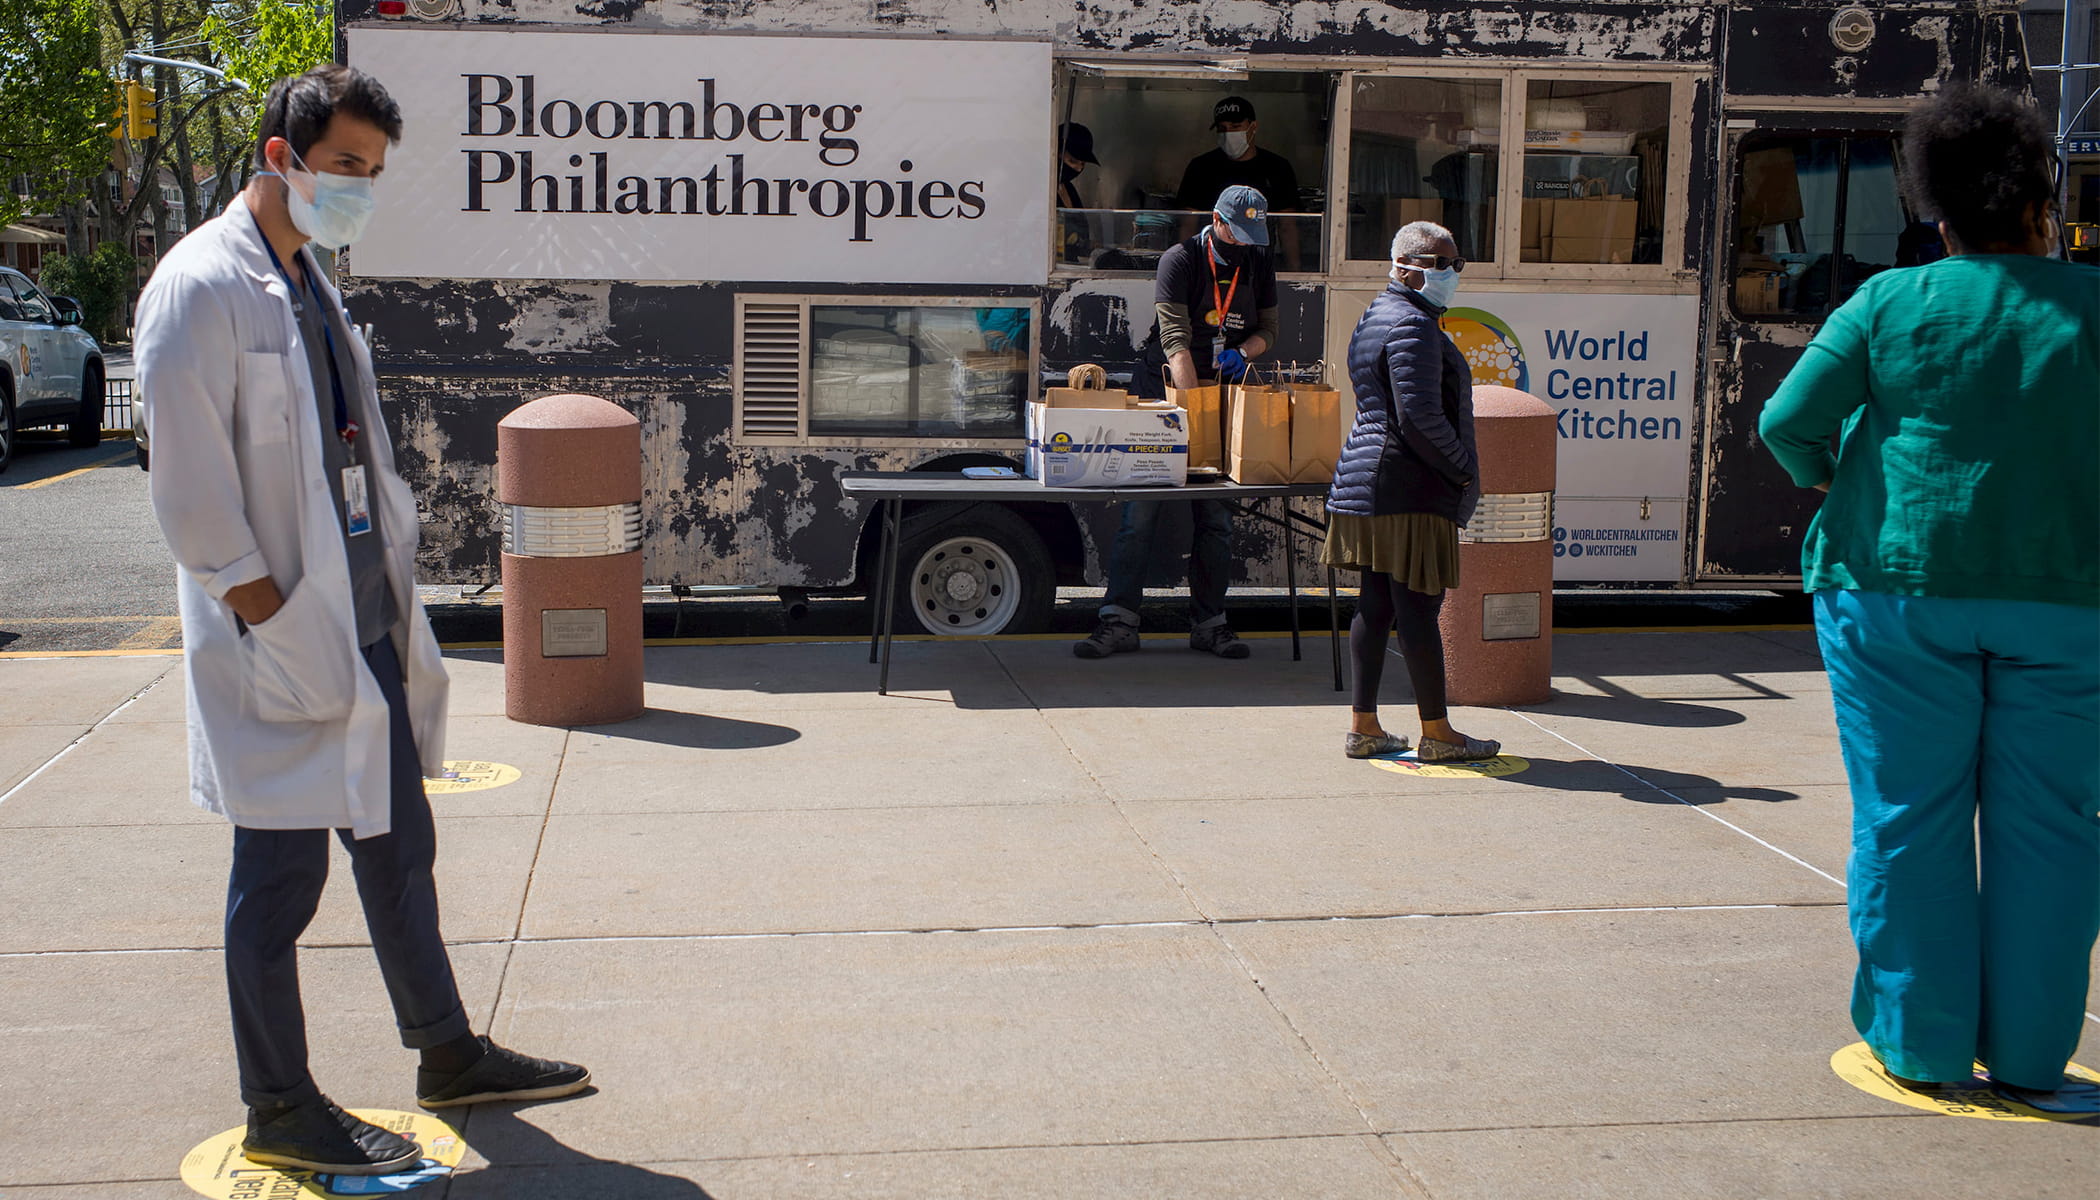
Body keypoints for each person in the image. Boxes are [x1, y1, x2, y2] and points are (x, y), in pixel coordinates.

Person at [137, 65, 590, 1175]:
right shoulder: (201, 286)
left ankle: (446, 1053)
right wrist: (274, 619)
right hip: (283, 632)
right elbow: (192, 494)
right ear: (281, 157)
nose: (360, 191)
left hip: (364, 623)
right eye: (346, 168)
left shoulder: (311, 279)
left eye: (374, 174)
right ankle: (279, 1106)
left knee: (398, 847)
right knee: (279, 881)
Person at [1758, 86, 2098, 1109]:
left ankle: (1921, 1044)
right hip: (2069, 598)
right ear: (2044, 205)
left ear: (1936, 214)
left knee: (1909, 819)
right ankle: (2035, 1056)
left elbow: (1786, 422)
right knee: (2054, 828)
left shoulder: (1887, 304)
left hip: (1893, 587)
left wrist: (1835, 476)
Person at [1073, 185, 1277, 660]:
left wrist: (1242, 353)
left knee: (1217, 517)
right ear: (1216, 219)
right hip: (1169, 388)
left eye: (1253, 235)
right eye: (1237, 232)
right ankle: (1118, 621)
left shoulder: (1260, 261)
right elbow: (1175, 339)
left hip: (1227, 389)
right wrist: (1188, 414)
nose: (1244, 243)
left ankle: (1210, 623)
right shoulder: (1180, 259)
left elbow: (1269, 329)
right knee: (1141, 513)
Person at [1321, 221, 1500, 763]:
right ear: (1405, 268)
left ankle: (1365, 726)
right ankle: (1439, 734)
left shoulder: (1377, 316)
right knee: (1420, 609)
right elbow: (1420, 418)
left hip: (1369, 483)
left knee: (1376, 607)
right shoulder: (1415, 326)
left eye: (1455, 263)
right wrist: (1463, 469)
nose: (1452, 274)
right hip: (1410, 488)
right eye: (1440, 265)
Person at [1175, 97, 1300, 216]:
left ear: (1253, 126)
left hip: (1261, 239)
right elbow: (1188, 223)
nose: (1229, 133)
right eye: (1222, 128)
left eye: (1235, 127)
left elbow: (1288, 224)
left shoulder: (1277, 167)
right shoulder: (1201, 167)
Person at [1056, 122, 1097, 209]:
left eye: (1082, 164)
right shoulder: (1041, 192)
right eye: (1072, 161)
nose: (1078, 169)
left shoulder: (1069, 189)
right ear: (1056, 154)